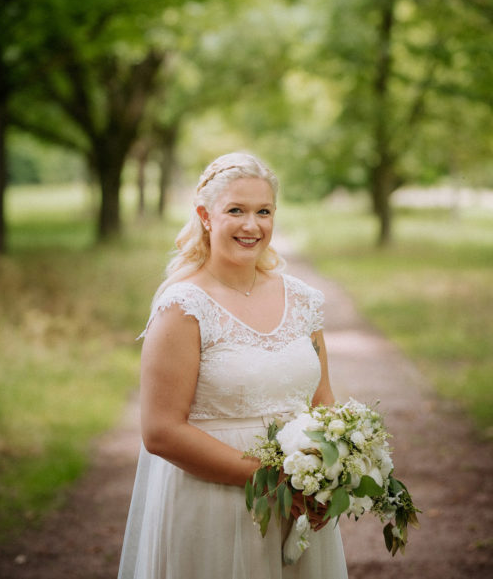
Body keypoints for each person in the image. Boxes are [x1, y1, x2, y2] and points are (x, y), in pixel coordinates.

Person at [118, 152, 347, 578]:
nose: (251, 225)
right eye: (236, 211)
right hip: (213, 505)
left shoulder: (303, 301)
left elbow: (322, 400)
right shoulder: (183, 307)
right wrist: (274, 480)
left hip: (298, 505)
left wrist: (331, 473)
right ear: (206, 216)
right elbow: (161, 431)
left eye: (264, 211)